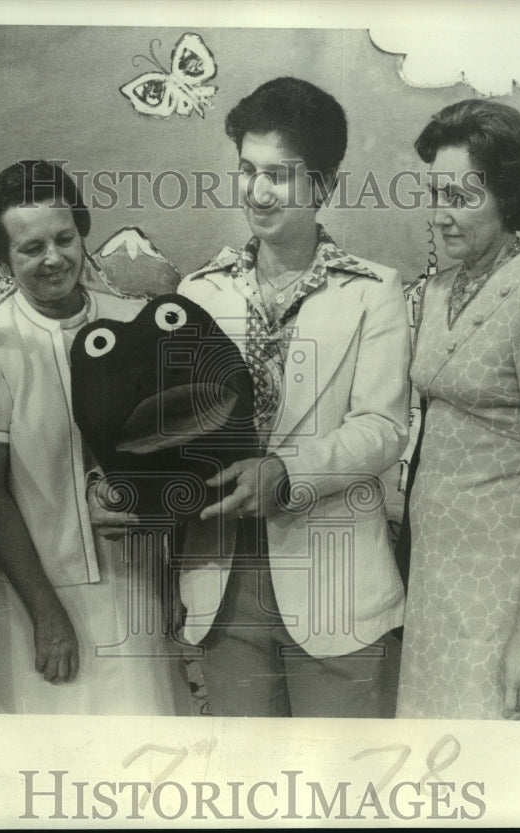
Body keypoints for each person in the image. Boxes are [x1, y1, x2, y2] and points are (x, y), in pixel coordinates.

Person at [175, 77, 410, 718]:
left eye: (278, 174)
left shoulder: (374, 292)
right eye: (247, 170)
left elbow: (383, 428)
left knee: (336, 787)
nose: (257, 191)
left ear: (323, 187)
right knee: (248, 790)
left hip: (336, 586)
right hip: (222, 585)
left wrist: (284, 472)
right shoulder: (199, 293)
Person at [0, 160, 177, 715]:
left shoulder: (135, 323)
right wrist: (46, 614)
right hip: (40, 594)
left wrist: (171, 578)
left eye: (64, 238)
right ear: (4, 258)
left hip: (136, 588)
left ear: (83, 234)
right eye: (31, 248)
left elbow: (172, 459)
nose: (53, 258)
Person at [395, 100, 520, 720]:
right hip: (435, 573)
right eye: (436, 195)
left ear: (506, 195)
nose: (442, 216)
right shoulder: (439, 288)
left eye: (462, 196)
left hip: (503, 584)